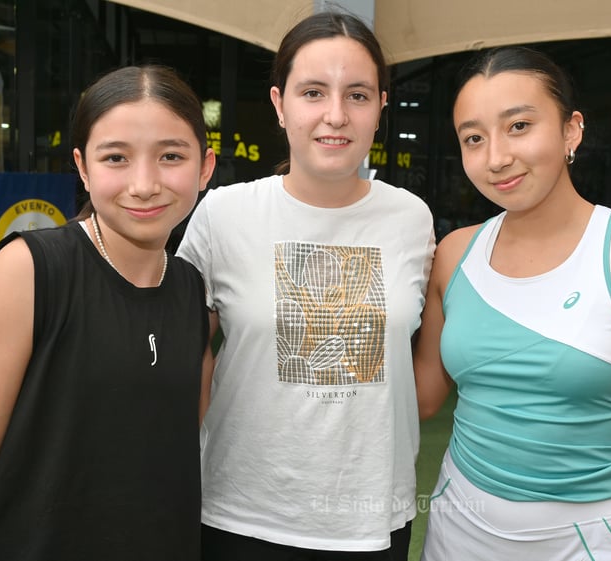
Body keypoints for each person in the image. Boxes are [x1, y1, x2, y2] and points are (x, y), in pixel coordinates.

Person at [413, 47, 611, 561]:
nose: (496, 157)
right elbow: (423, 397)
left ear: (572, 130)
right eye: (473, 139)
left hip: (592, 539)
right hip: (459, 530)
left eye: (519, 126)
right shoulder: (454, 253)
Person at [177, 11, 435, 561]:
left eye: (358, 95)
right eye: (313, 92)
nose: (335, 115)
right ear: (279, 103)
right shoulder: (224, 214)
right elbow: (183, 358)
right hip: (240, 516)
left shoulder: (412, 218)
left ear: (381, 107)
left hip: (371, 521)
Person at [0, 65, 216, 561]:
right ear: (83, 168)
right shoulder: (31, 270)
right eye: (116, 158)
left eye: (171, 156)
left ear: (205, 167)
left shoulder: (190, 289)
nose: (145, 183)